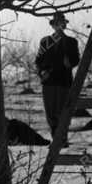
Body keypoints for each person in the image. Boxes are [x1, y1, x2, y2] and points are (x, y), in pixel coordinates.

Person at [35, 11, 81, 141]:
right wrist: (42, 73)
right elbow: (38, 60)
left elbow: (76, 60)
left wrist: (69, 63)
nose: (59, 26)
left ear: (64, 25)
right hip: (48, 82)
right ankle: (56, 138)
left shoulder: (71, 42)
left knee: (63, 111)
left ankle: (62, 138)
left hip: (64, 81)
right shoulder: (45, 41)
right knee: (50, 112)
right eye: (57, 24)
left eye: (61, 23)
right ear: (53, 26)